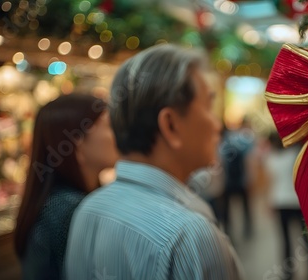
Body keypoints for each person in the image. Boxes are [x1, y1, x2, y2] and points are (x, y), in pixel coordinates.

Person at [65, 44, 243, 280]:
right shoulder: (189, 235)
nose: (217, 125)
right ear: (170, 125)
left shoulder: (90, 209)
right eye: (209, 107)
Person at [14, 94, 119, 280]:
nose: (119, 136)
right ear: (78, 143)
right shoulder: (68, 210)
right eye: (110, 126)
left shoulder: (58, 203)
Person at [265, 132, 308, 280]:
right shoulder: (294, 154)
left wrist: (268, 202)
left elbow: (270, 183)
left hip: (279, 202)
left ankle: (288, 273)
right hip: (296, 202)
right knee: (305, 239)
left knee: (285, 239)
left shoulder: (270, 159)